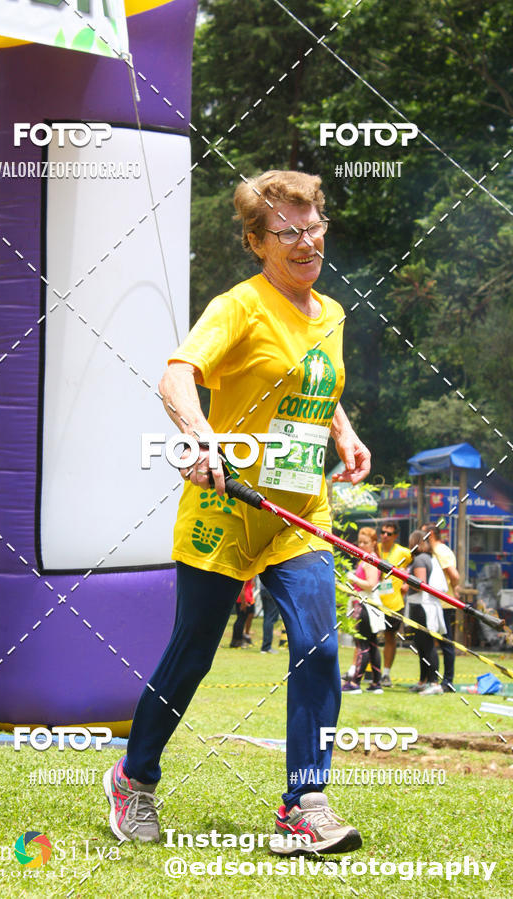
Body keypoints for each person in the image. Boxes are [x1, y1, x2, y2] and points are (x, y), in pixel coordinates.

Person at [103, 170, 370, 853]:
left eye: (313, 224)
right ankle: (133, 779)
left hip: (298, 511)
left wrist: (343, 431)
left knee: (317, 642)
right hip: (225, 507)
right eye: (288, 231)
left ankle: (303, 804)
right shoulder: (238, 307)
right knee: (192, 654)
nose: (307, 240)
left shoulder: (331, 312)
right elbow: (176, 374)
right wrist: (199, 434)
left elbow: (309, 378)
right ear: (257, 242)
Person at [342, 527, 384, 694]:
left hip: (365, 605)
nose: (361, 545)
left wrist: (353, 578)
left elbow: (372, 585)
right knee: (372, 645)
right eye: (360, 542)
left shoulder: (370, 560)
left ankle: (355, 683)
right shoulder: (367, 559)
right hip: (367, 605)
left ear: (374, 543)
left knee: (363, 644)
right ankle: (376, 683)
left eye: (365, 542)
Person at [406, 530, 447, 695]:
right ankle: (423, 680)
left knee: (427, 646)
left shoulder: (420, 560)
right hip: (423, 606)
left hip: (421, 607)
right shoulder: (428, 558)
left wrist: (404, 577)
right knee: (421, 646)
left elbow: (419, 584)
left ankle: (434, 682)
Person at [422, 523, 460, 693]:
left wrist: (453, 588)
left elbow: (455, 576)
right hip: (437, 603)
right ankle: (430, 679)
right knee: (430, 642)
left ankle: (448, 681)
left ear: (430, 534)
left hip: (442, 604)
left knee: (445, 643)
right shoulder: (439, 550)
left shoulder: (440, 551)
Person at [376, 521, 411, 687]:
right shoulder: (375, 548)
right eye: (382, 532)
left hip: (394, 603)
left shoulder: (403, 552)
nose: (384, 536)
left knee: (390, 638)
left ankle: (386, 674)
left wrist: (406, 582)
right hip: (373, 601)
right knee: (367, 637)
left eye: (389, 533)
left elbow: (413, 566)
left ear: (396, 536)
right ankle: (368, 670)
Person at [230, 579, 255, 647]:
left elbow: (252, 584)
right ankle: (238, 641)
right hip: (244, 599)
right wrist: (243, 602)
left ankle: (235, 641)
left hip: (246, 598)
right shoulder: (246, 573)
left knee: (241, 619)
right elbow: (242, 587)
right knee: (241, 620)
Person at [258, 576, 280, 653]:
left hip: (263, 589)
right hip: (271, 590)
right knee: (270, 619)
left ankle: (265, 646)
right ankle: (266, 647)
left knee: (267, 617)